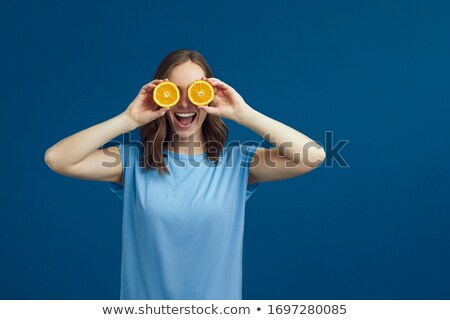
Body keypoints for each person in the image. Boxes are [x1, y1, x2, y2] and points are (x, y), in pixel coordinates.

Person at [44, 49, 326, 300]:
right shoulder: (131, 162)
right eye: (173, 92)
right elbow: (57, 159)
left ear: (209, 95)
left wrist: (243, 113)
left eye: (195, 92)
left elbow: (313, 156)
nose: (183, 104)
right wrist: (127, 119)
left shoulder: (238, 163)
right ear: (158, 96)